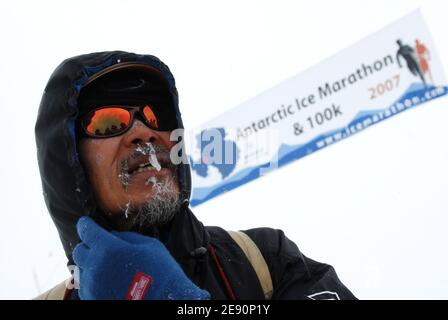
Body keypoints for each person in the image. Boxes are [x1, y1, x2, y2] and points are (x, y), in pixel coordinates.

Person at [34, 51, 356, 300]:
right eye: (109, 122)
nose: (144, 132)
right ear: (69, 162)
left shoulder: (266, 261)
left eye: (153, 115)